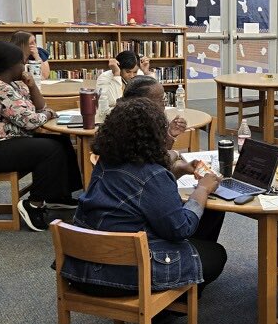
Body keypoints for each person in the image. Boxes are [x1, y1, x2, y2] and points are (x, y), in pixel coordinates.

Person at [61, 97, 227, 297]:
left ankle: (178, 295)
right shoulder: (153, 175)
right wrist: (202, 189)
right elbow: (180, 228)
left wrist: (177, 171)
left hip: (81, 267)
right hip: (122, 275)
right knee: (216, 254)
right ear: (153, 136)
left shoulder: (104, 163)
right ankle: (168, 307)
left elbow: (138, 190)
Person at [0, 41, 83, 232]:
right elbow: (32, 121)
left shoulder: (13, 84)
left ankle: (59, 196)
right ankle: (33, 204)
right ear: (11, 66)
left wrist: (32, 85)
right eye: (22, 62)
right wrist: (48, 115)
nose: (24, 66)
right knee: (50, 150)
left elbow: (39, 107)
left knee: (59, 139)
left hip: (0, 142)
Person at [96, 50, 154, 121]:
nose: (132, 76)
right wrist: (116, 75)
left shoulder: (139, 75)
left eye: (135, 72)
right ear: (119, 67)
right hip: (112, 121)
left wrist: (146, 72)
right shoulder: (104, 78)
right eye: (128, 72)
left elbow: (155, 96)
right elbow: (107, 110)